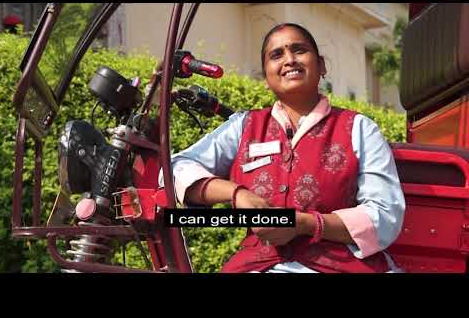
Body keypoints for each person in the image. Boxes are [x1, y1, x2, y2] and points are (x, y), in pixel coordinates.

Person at [159, 23, 405, 273]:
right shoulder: (244, 126)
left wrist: (306, 224)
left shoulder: (359, 128)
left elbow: (385, 217)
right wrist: (236, 193)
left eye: (299, 50)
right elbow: (173, 170)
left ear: (321, 65)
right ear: (265, 76)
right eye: (277, 55)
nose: (289, 60)